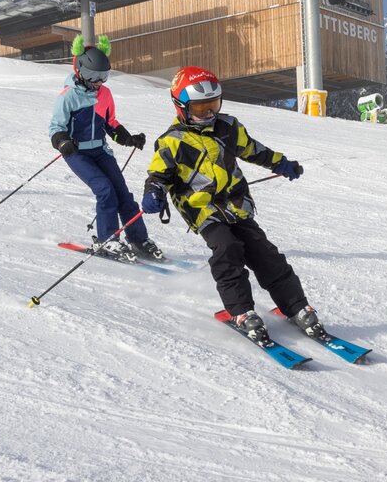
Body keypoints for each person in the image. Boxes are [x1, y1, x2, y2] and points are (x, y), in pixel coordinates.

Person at [140, 67, 321, 343]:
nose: (208, 114)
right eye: (200, 108)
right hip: (202, 209)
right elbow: (158, 174)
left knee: (264, 253)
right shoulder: (172, 141)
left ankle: (296, 306)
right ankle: (241, 311)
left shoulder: (228, 127)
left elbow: (254, 150)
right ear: (181, 107)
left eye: (213, 105)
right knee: (227, 249)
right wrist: (154, 191)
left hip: (236, 203)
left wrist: (282, 164)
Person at [48, 35, 165, 263]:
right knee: (105, 190)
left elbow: (110, 124)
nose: (99, 82)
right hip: (77, 153)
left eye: (103, 76)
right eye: (93, 76)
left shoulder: (105, 94)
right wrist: (63, 142)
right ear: (80, 71)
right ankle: (108, 239)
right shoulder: (68, 97)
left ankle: (139, 240)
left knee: (123, 194)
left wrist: (129, 139)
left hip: (101, 151)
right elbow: (56, 128)